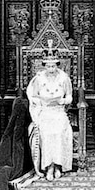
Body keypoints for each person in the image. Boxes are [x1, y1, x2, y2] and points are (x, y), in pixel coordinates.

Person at [27, 50, 73, 181]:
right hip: (45, 112)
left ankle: (58, 165)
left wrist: (63, 101)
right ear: (44, 66)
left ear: (57, 65)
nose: (51, 69)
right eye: (48, 66)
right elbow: (33, 96)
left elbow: (69, 97)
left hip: (59, 112)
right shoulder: (39, 78)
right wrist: (41, 100)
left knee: (58, 133)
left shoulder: (64, 78)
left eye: (53, 66)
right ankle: (48, 167)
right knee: (46, 134)